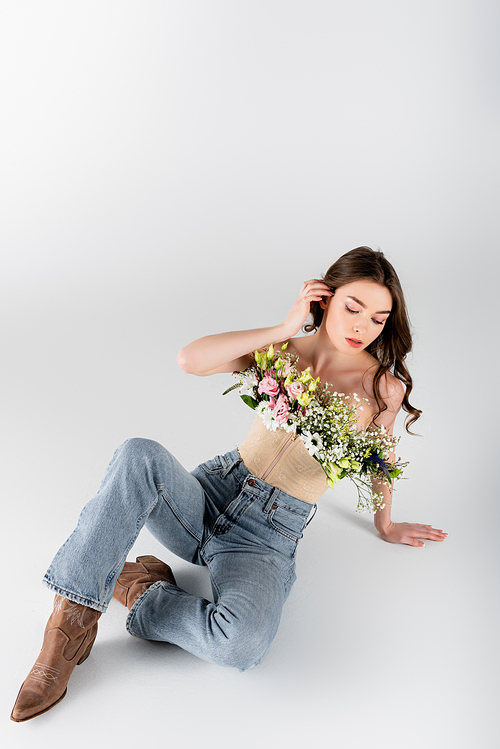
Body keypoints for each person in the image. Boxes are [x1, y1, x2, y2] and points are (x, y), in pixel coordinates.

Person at [11, 246, 447, 722]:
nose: (362, 327)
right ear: (324, 298)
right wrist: (284, 327)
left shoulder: (382, 388)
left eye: (379, 319)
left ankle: (141, 590)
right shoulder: (283, 351)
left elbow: (380, 462)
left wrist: (386, 524)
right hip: (210, 493)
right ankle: (68, 626)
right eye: (352, 308)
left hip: (267, 538)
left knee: (241, 644)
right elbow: (189, 359)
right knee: (138, 454)